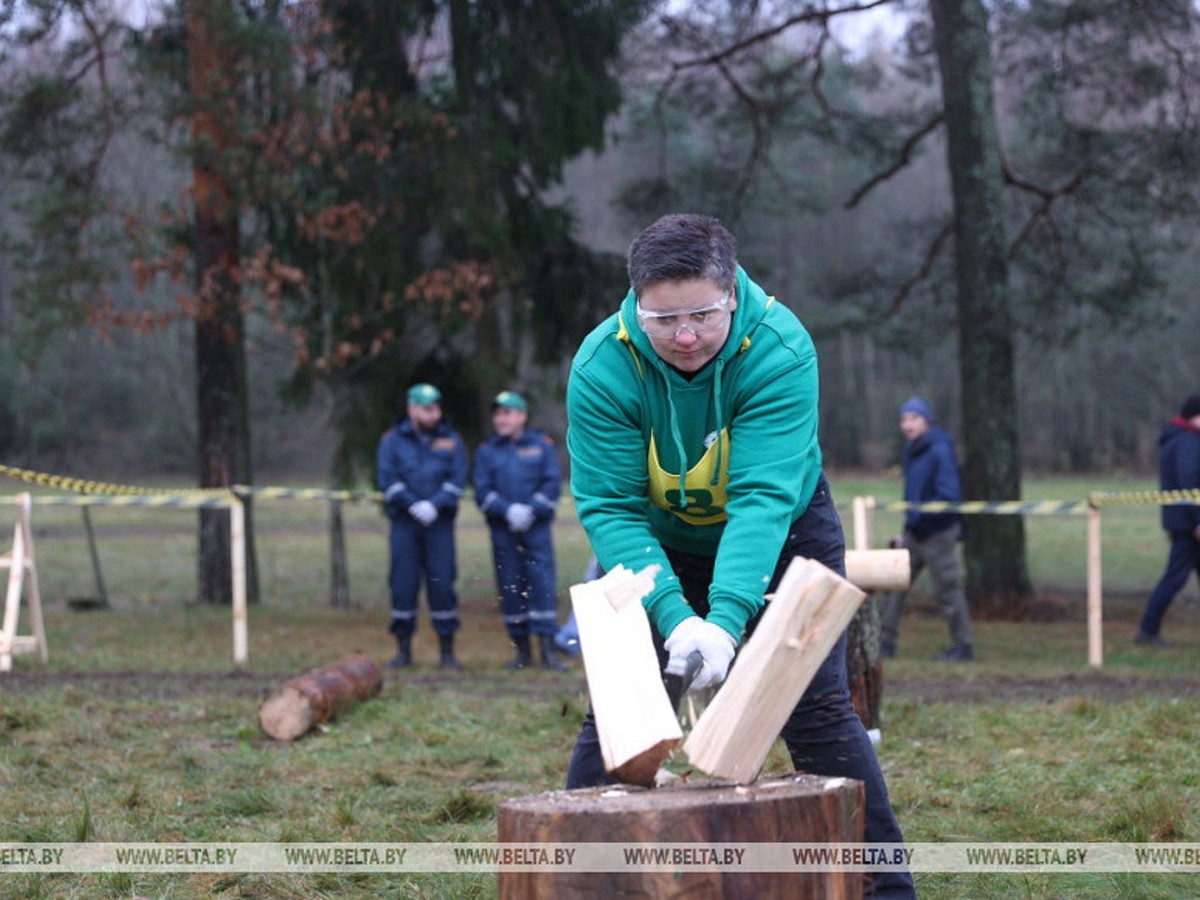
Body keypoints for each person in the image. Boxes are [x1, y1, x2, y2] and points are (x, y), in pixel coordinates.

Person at [564, 214, 914, 898]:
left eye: (701, 313)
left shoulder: (779, 349)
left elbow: (761, 499)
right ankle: (576, 882)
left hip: (782, 533)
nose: (685, 335)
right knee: (622, 712)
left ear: (731, 293)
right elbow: (610, 507)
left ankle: (885, 889)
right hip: (657, 540)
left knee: (814, 708)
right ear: (637, 304)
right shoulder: (602, 364)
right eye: (663, 320)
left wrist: (724, 621)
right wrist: (672, 612)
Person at [376, 383, 469, 670]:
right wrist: (412, 504)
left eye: (437, 408)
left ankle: (447, 652)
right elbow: (387, 479)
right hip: (405, 525)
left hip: (439, 526)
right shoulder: (391, 441)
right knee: (403, 586)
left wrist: (435, 505)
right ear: (411, 409)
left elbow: (457, 479)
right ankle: (403, 651)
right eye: (427, 409)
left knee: (442, 584)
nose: (434, 414)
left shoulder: (452, 441)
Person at [473, 390, 568, 671]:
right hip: (504, 532)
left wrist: (530, 510)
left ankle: (549, 652)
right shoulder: (487, 450)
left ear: (522, 416)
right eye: (498, 413)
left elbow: (552, 483)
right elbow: (482, 489)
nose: (502, 419)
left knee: (542, 586)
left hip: (536, 531)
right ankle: (522, 652)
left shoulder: (541, 445)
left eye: (508, 412)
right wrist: (507, 511)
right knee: (511, 588)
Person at [879, 396, 975, 662]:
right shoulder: (911, 450)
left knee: (949, 592)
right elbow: (913, 495)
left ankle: (963, 647)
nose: (908, 425)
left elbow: (949, 495)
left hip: (939, 533)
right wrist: (906, 528)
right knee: (894, 587)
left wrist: (921, 514)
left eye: (914, 418)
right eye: (904, 419)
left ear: (926, 421)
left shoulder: (940, 450)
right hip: (914, 532)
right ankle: (884, 644)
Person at [1135, 393, 1200, 646]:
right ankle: (1147, 630)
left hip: (1185, 521)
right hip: (1189, 524)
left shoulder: (1180, 439)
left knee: (1174, 577)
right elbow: (1191, 482)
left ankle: (1148, 630)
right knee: (1174, 579)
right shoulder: (1188, 442)